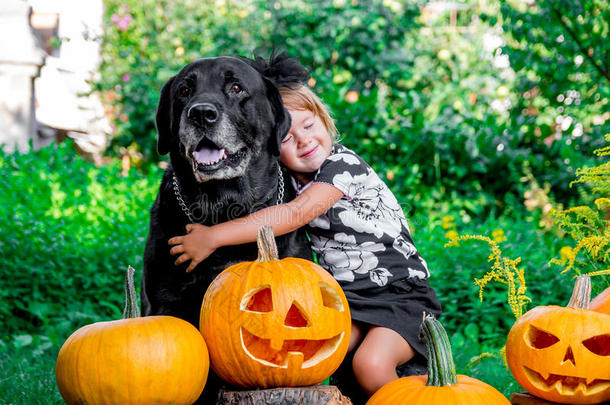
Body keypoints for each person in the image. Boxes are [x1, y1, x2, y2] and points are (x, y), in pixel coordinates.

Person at [168, 83, 441, 396]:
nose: (304, 140)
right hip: (353, 302)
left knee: (371, 365)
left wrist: (214, 236)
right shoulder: (293, 180)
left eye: (310, 125)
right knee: (313, 353)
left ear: (324, 120)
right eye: (287, 137)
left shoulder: (342, 165)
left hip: (398, 295)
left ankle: (418, 400)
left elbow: (294, 214)